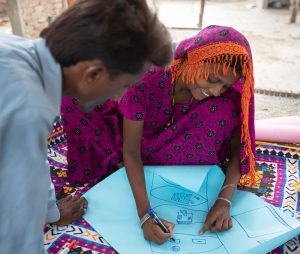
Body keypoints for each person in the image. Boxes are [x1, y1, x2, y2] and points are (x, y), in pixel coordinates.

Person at [0, 0, 172, 253]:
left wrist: (51, 211)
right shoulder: (28, 107)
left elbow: (33, 164)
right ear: (93, 74)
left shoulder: (16, 48)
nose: (118, 98)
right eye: (124, 86)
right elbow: (16, 228)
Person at [60, 25, 255, 244]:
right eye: (212, 79)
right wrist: (145, 214)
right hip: (128, 137)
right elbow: (131, 151)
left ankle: (143, 170)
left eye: (225, 86)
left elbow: (241, 146)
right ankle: (118, 167)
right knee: (73, 96)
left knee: (224, 110)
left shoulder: (217, 98)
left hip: (166, 143)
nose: (216, 90)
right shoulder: (147, 77)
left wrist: (224, 201)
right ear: (192, 59)